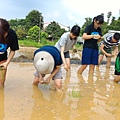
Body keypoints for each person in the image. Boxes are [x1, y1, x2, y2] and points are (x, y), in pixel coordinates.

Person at [0, 18, 19, 87]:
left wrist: (7, 63)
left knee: (1, 81)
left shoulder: (12, 34)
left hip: (2, 60)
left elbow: (13, 50)